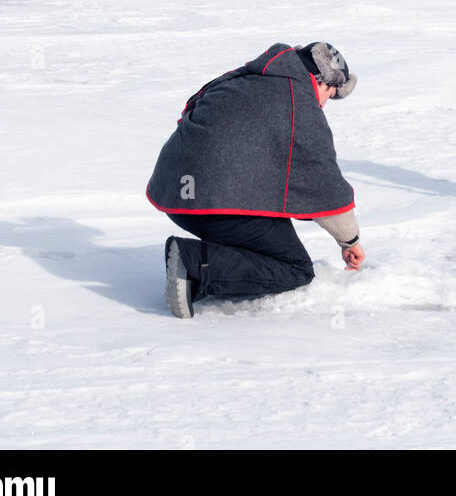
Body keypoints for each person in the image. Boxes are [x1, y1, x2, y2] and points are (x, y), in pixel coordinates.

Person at [146, 40, 364, 317]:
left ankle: (199, 265)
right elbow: (323, 183)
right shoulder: (299, 103)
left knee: (262, 221)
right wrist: (350, 241)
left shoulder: (244, 77)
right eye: (331, 95)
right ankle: (195, 267)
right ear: (323, 82)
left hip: (173, 191)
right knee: (293, 269)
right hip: (216, 205)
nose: (326, 103)